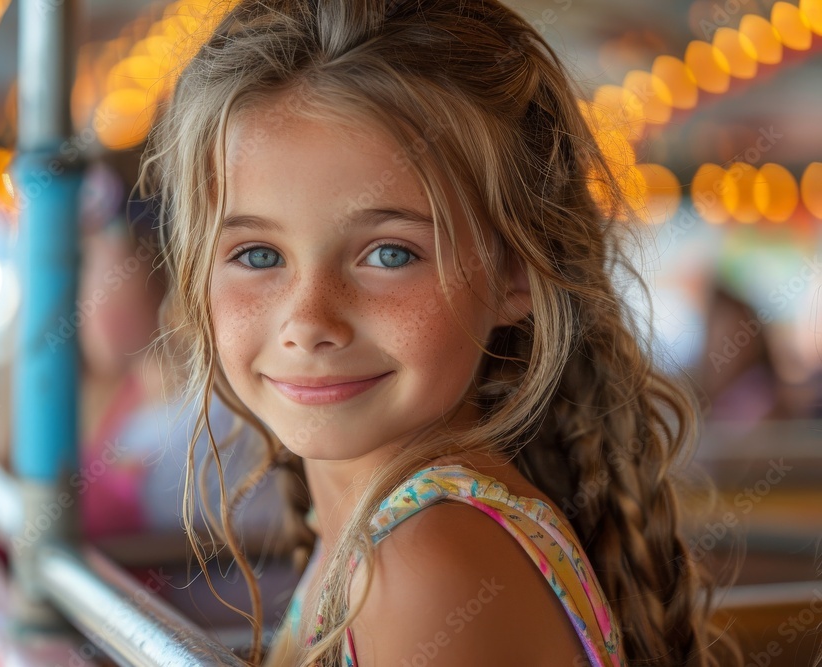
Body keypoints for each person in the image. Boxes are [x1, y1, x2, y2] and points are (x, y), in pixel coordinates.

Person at [138, 0, 741, 665]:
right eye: (257, 255)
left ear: (516, 269)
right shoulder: (382, 537)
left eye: (390, 253)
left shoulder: (423, 562)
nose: (309, 321)